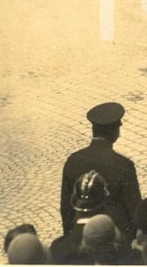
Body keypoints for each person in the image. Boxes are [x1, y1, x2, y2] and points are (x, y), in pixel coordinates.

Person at [60, 103, 141, 245]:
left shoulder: (73, 161)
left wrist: (70, 238)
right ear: (114, 131)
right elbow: (134, 210)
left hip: (81, 236)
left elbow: (66, 208)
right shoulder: (123, 165)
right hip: (114, 239)